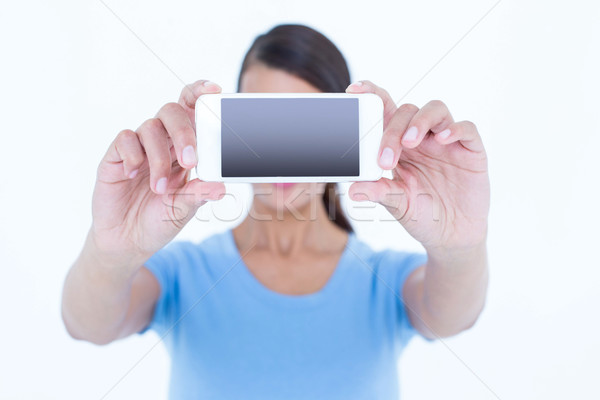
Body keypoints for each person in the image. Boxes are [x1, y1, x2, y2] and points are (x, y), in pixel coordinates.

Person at [61, 24, 490, 399]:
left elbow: (452, 316)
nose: (284, 154)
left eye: (308, 126)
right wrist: (111, 250)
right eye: (263, 123)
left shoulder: (385, 281)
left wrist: (460, 247)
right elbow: (88, 325)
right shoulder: (183, 274)